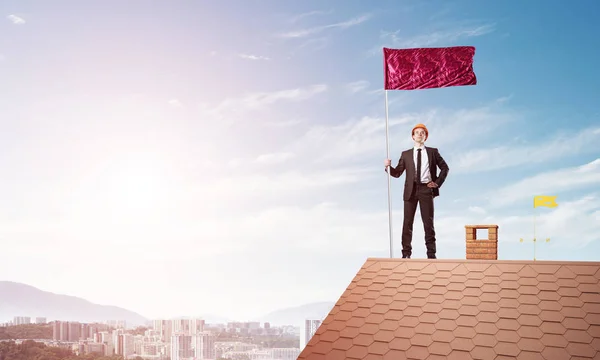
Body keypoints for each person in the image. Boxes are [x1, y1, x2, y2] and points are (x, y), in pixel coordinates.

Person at [384, 124, 449, 259]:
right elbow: (397, 173)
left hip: (426, 189)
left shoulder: (433, 152)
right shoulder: (406, 154)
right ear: (413, 136)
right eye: (417, 132)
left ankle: (431, 254)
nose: (420, 134)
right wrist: (388, 167)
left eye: (422, 132)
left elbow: (445, 168)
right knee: (407, 223)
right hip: (410, 190)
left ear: (425, 136)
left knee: (428, 223)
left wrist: (436, 183)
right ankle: (406, 254)